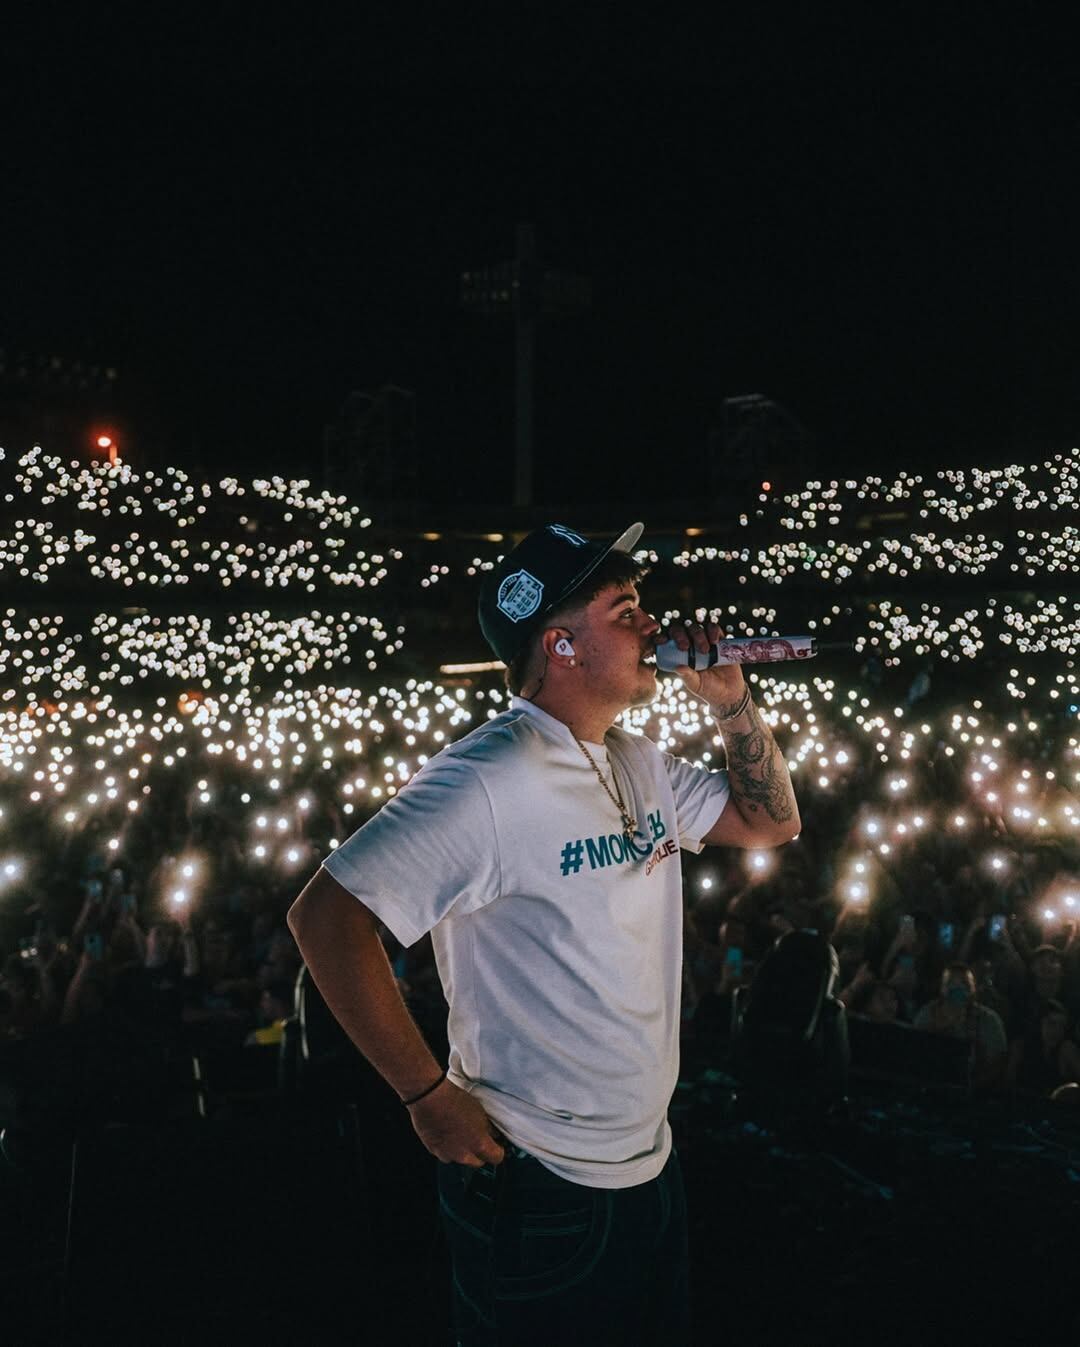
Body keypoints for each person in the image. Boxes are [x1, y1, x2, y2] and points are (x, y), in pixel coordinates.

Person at [287, 521, 801, 1346]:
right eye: (625, 609)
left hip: (648, 1164)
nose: (652, 626)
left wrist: (734, 701)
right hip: (540, 1184)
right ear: (560, 646)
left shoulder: (635, 759)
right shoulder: (487, 777)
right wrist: (424, 1095)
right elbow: (324, 916)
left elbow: (768, 823)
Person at [913, 963, 1007, 1090]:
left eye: (964, 984)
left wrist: (971, 1087)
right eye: (951, 983)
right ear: (942, 988)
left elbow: (998, 1062)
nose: (957, 988)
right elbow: (915, 1051)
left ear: (974, 988)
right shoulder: (927, 1013)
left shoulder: (989, 1019)